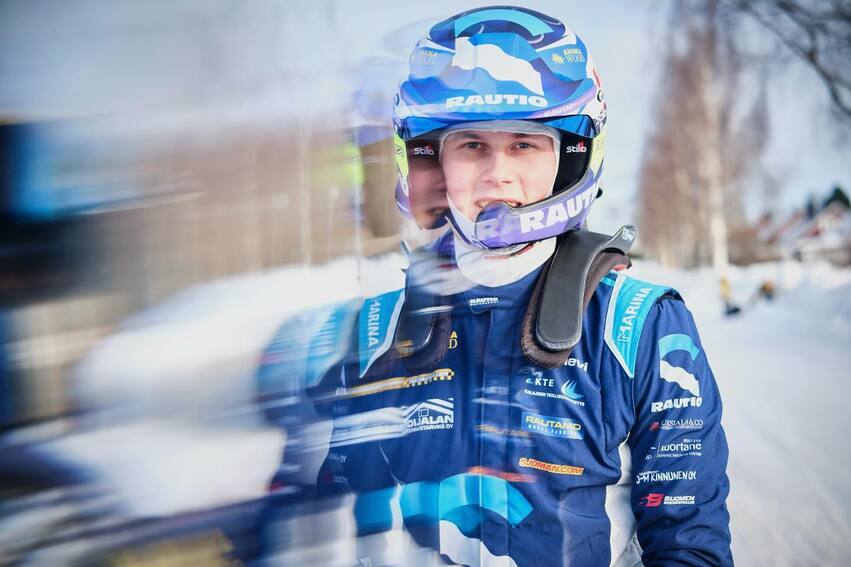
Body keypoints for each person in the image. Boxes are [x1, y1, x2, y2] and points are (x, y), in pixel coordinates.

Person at [260, 6, 732, 566]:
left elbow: (687, 541)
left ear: (570, 157)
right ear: (430, 160)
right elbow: (326, 531)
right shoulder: (372, 333)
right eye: (471, 145)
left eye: (524, 144)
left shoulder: (637, 325)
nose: (497, 173)